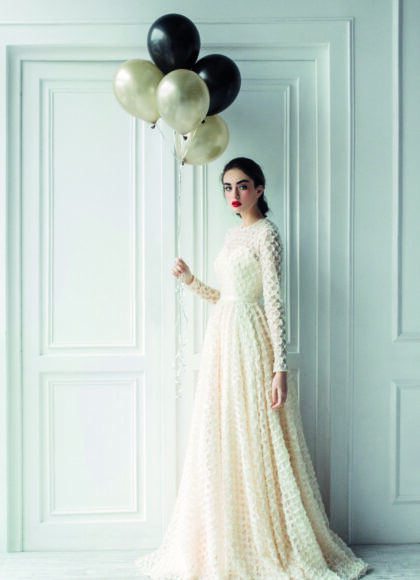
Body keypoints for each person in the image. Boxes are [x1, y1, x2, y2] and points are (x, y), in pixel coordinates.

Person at [135, 157, 368, 579]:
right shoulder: (231, 236)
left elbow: (273, 303)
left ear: (259, 189)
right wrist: (190, 281)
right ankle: (227, 532)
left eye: (242, 186)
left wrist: (280, 368)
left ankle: (269, 538)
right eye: (227, 188)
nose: (234, 195)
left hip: (250, 341)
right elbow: (225, 297)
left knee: (257, 431)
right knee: (222, 430)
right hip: (222, 340)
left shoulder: (267, 235)